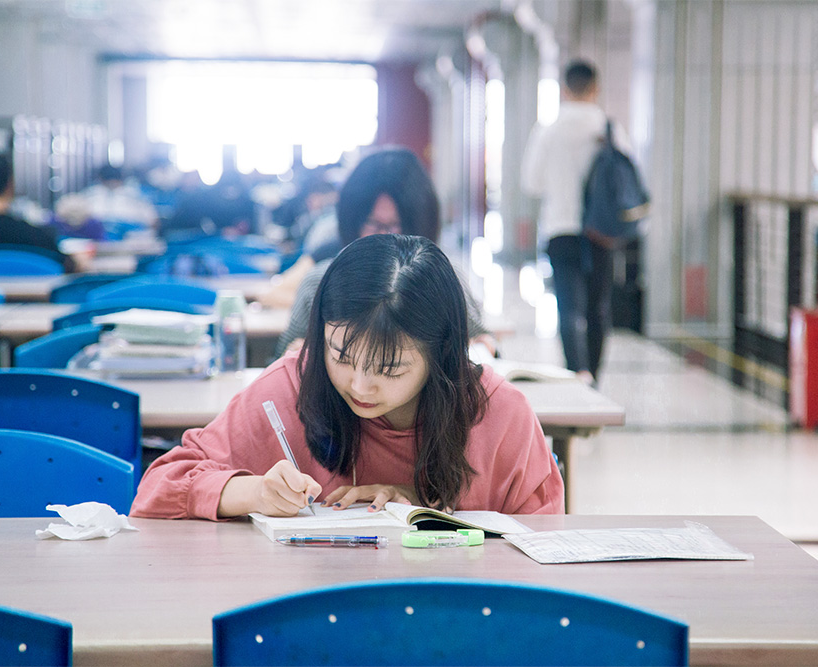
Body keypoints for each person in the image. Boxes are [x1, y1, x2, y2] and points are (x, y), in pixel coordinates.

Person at [131, 234, 564, 519]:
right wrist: (253, 493)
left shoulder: (499, 416)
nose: (359, 385)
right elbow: (157, 489)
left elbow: (541, 547)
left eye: (389, 369)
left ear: (442, 354)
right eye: (340, 355)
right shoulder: (291, 389)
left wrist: (426, 513)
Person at [269, 147, 496, 356]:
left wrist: (482, 348)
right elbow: (282, 358)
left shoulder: (444, 279)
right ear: (352, 221)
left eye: (396, 225)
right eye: (373, 223)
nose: (385, 236)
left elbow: (484, 345)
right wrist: (297, 353)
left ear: (420, 223)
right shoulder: (320, 280)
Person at [521, 60, 633, 384]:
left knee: (568, 304)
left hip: (560, 228)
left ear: (565, 89)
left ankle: (578, 371)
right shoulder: (609, 129)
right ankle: (594, 373)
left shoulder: (549, 129)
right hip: (601, 230)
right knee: (598, 305)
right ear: (596, 88)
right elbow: (627, 177)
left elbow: (531, 182)